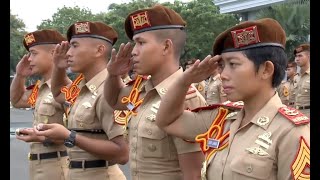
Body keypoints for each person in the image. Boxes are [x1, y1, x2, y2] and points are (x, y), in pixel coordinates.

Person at [155, 18, 310, 180]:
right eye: (222, 66)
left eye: (233, 64)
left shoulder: (291, 132)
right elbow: (167, 121)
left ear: (266, 69)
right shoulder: (222, 118)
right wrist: (184, 81)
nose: (223, 75)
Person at [104, 4, 207, 180]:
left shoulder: (186, 98)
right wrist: (113, 75)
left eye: (141, 43)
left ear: (166, 47)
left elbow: (194, 174)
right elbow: (114, 100)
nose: (134, 52)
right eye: (135, 43)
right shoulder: (143, 90)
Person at [34, 21, 128, 179]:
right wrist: (58, 66)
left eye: (75, 46)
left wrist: (70, 137)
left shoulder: (109, 91)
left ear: (99, 50)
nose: (68, 53)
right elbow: (58, 94)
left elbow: (122, 153)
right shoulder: (82, 87)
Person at [10, 29, 69, 180]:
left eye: (34, 53)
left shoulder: (67, 88)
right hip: (39, 165)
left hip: (59, 165)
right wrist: (20, 75)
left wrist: (41, 137)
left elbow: (77, 135)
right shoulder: (41, 87)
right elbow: (16, 101)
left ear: (53, 53)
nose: (29, 59)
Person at [294, 43, 310, 117]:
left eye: (300, 56)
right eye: (296, 56)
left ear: (308, 56)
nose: (297, 59)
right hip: (297, 115)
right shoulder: (296, 77)